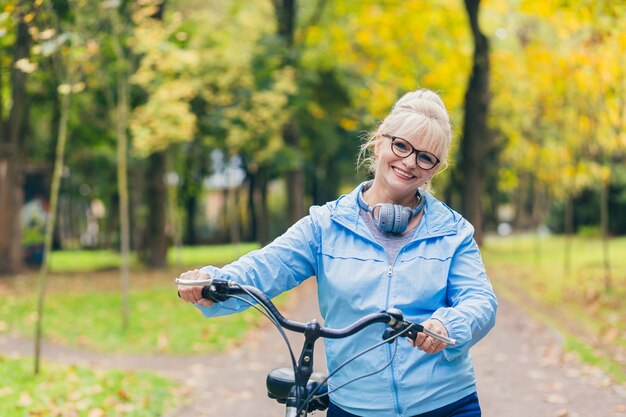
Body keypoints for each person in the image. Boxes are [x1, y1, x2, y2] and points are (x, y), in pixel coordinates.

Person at [178, 88, 498, 417]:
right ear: (379, 142)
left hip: (445, 404)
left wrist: (447, 325)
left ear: (435, 168)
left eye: (425, 157)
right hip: (356, 407)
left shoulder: (452, 231)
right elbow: (266, 267)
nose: (409, 162)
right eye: (401, 145)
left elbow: (481, 301)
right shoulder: (325, 225)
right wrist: (214, 282)